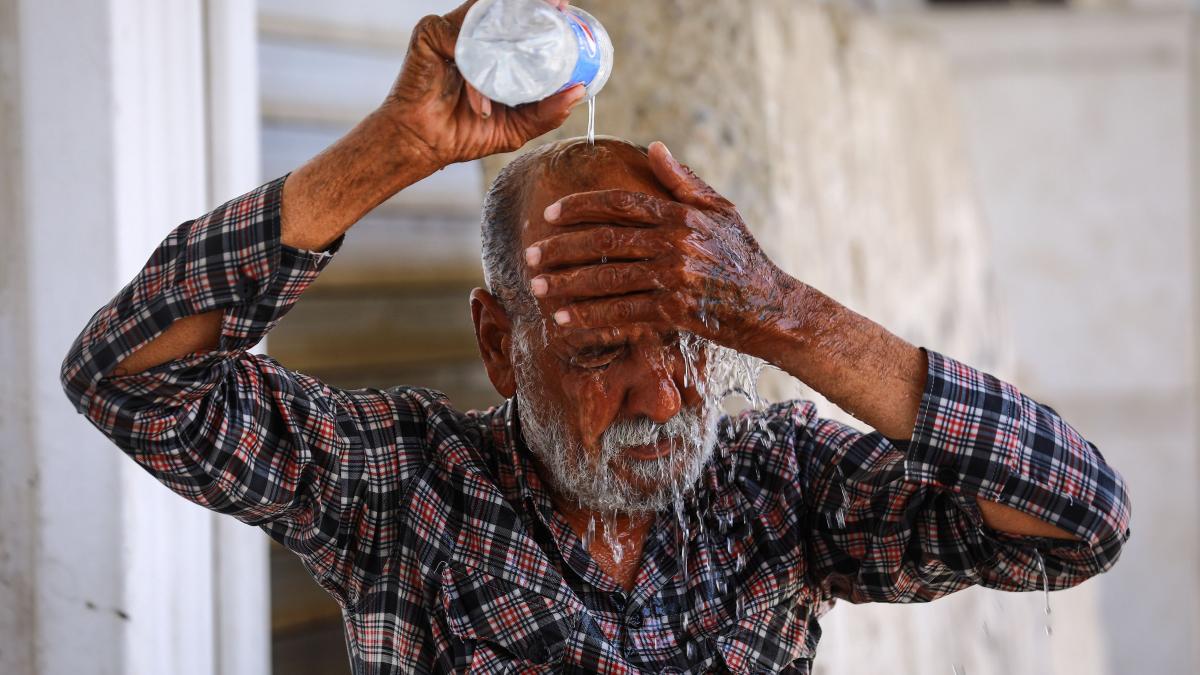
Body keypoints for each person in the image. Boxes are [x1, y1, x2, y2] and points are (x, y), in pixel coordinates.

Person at [60, 1, 1131, 673]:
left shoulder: (779, 486)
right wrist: (396, 147)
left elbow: (1077, 520)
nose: (663, 398)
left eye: (688, 337)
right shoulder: (404, 488)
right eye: (594, 353)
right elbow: (131, 381)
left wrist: (786, 316)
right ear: (498, 346)